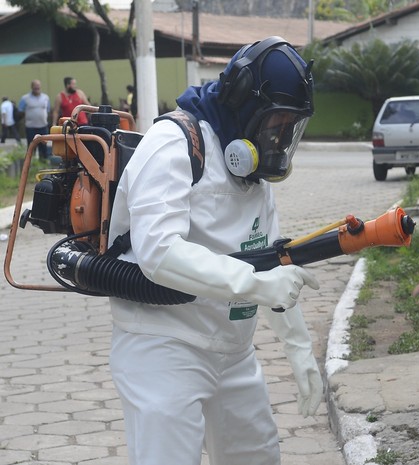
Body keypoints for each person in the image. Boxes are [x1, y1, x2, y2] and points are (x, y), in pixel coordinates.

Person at [108, 36, 322, 465]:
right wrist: (257, 286)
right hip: (164, 347)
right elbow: (159, 254)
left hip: (233, 351)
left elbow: (272, 260)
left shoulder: (250, 165)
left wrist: (299, 347)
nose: (278, 139)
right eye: (275, 123)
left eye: (289, 128)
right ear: (243, 103)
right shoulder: (173, 144)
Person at [18, 80, 51, 159]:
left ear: (40, 86)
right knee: (31, 148)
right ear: (32, 87)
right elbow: (20, 111)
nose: (37, 87)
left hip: (43, 127)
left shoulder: (45, 97)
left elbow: (48, 110)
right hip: (30, 128)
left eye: (38, 85)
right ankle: (31, 166)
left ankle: (43, 165)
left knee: (43, 148)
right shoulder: (25, 98)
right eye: (35, 86)